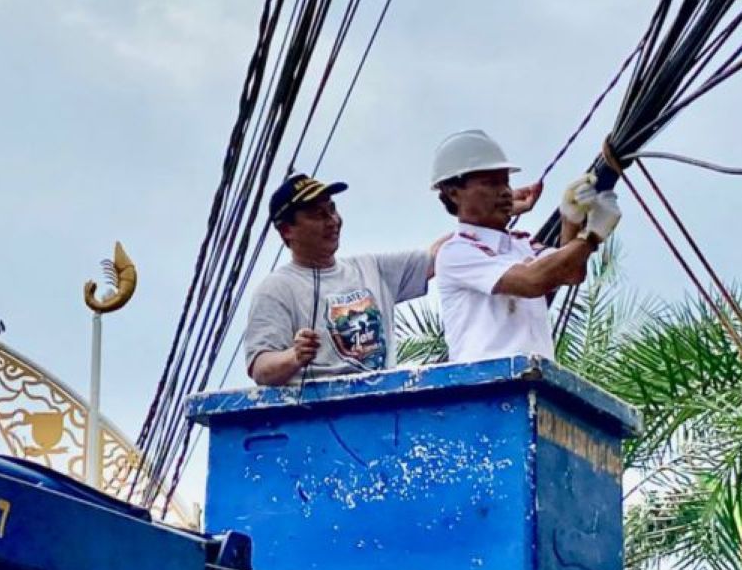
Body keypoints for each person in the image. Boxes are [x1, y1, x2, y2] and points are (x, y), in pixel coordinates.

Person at [431, 129, 621, 364]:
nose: (504, 192)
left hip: (532, 381)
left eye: (505, 182)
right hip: (486, 389)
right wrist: (591, 238)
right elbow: (532, 281)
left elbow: (571, 272)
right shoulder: (456, 252)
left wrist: (570, 221)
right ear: (453, 193)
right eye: (490, 183)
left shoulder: (522, 244)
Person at [243, 173, 438, 386]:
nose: (332, 221)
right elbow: (260, 367)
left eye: (332, 209)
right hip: (318, 414)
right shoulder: (276, 288)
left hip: (385, 408)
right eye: (317, 215)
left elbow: (438, 258)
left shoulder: (372, 268)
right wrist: (294, 356)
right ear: (287, 230)